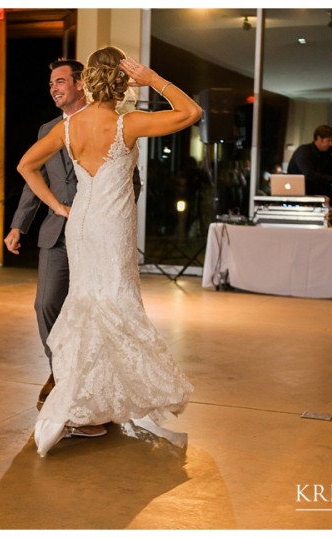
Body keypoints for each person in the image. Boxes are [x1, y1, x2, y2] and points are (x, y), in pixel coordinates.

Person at [17, 46, 200, 457]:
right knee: (114, 306)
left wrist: (58, 206)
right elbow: (190, 113)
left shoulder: (68, 127)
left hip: (81, 224)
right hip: (110, 228)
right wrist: (153, 79)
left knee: (89, 307)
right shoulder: (127, 124)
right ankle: (82, 408)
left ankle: (91, 406)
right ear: (122, 79)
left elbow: (26, 166)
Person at [4, 59, 141, 425]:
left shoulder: (111, 122)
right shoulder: (48, 128)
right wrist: (19, 226)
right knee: (46, 304)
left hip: (99, 234)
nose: (53, 87)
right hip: (55, 233)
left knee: (99, 308)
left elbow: (130, 180)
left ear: (81, 84)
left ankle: (97, 383)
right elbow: (32, 181)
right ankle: (61, 372)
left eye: (60, 81)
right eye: (50, 83)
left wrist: (115, 221)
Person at [287, 124, 332, 198]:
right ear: (319, 139)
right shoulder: (303, 151)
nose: (331, 144)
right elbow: (309, 174)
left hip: (315, 197)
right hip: (298, 197)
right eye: (328, 140)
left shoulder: (325, 155)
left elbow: (326, 175)